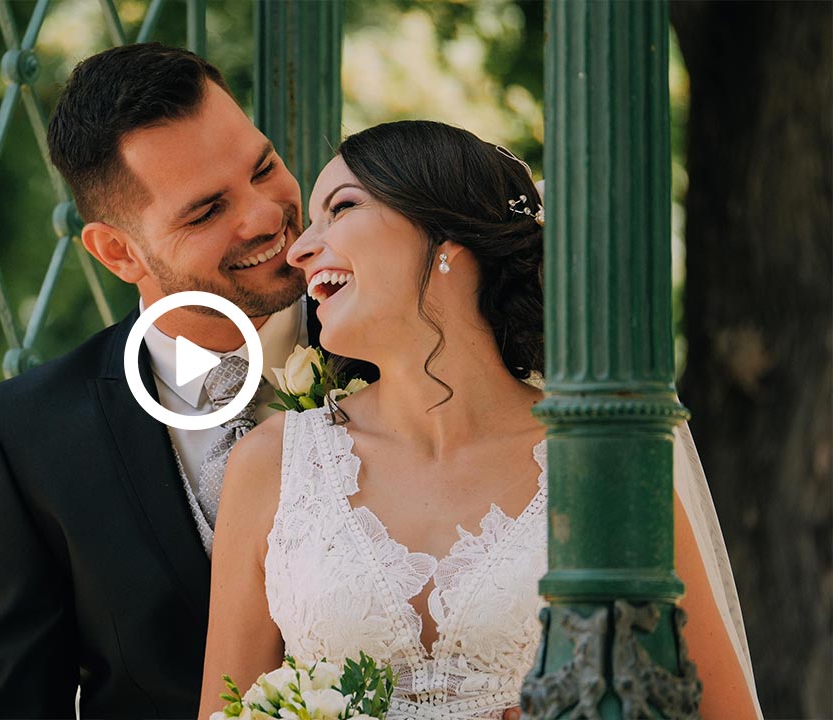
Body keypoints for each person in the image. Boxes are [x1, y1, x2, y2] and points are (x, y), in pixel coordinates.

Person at [197, 121, 761, 719]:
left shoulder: (604, 465)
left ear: (449, 237)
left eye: (342, 208)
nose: (300, 250)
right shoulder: (274, 464)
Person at [0, 43, 334, 718]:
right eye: (206, 211)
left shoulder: (406, 351)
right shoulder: (30, 438)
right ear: (117, 251)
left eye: (264, 168)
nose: (265, 215)